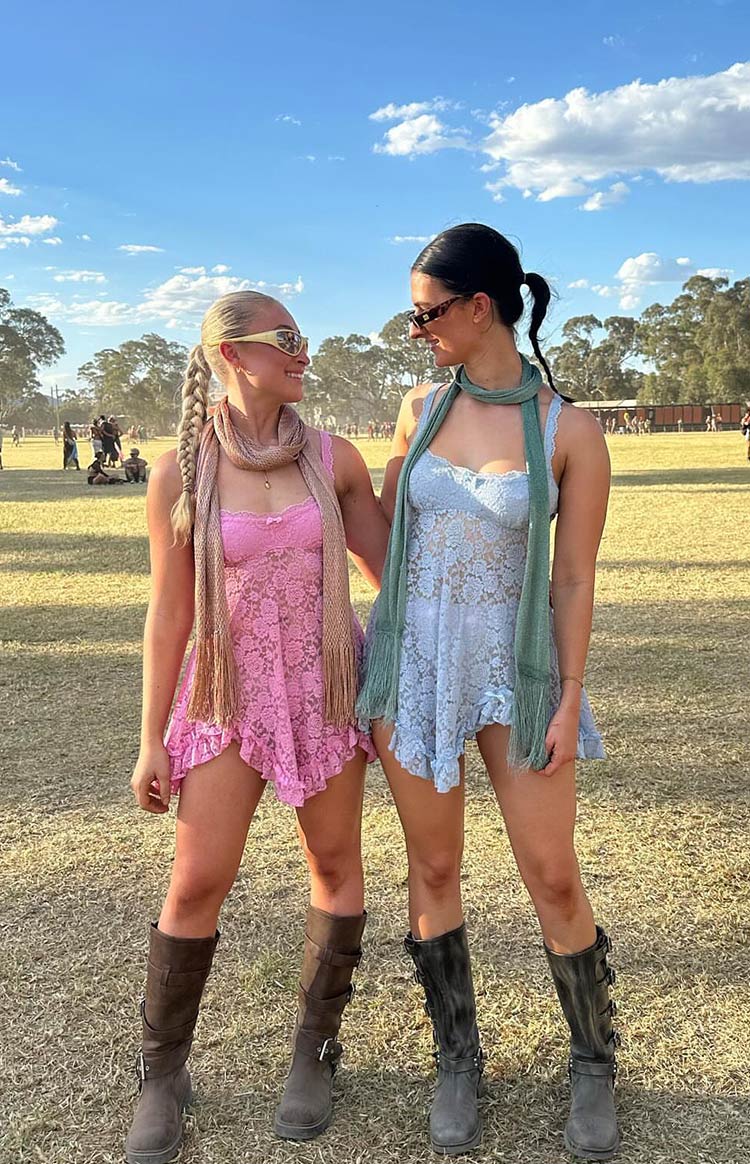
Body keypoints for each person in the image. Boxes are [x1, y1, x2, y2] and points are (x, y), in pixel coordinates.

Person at [358, 224, 619, 1159]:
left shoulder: (569, 430)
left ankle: (593, 1058)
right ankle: (457, 1056)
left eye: (426, 312)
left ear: (481, 307)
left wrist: (567, 693)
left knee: (551, 873)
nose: (415, 329)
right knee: (433, 871)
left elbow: (574, 581)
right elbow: (385, 530)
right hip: (417, 669)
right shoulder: (418, 406)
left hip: (521, 673)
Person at [125, 290, 389, 1164]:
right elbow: (169, 616)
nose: (303, 352)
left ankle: (315, 1053)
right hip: (226, 693)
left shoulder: (335, 459)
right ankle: (163, 1073)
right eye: (287, 339)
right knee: (199, 879)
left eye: (305, 337)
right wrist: (150, 736)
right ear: (234, 355)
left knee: (334, 863)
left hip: (325, 686)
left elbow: (393, 570)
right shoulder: (180, 471)